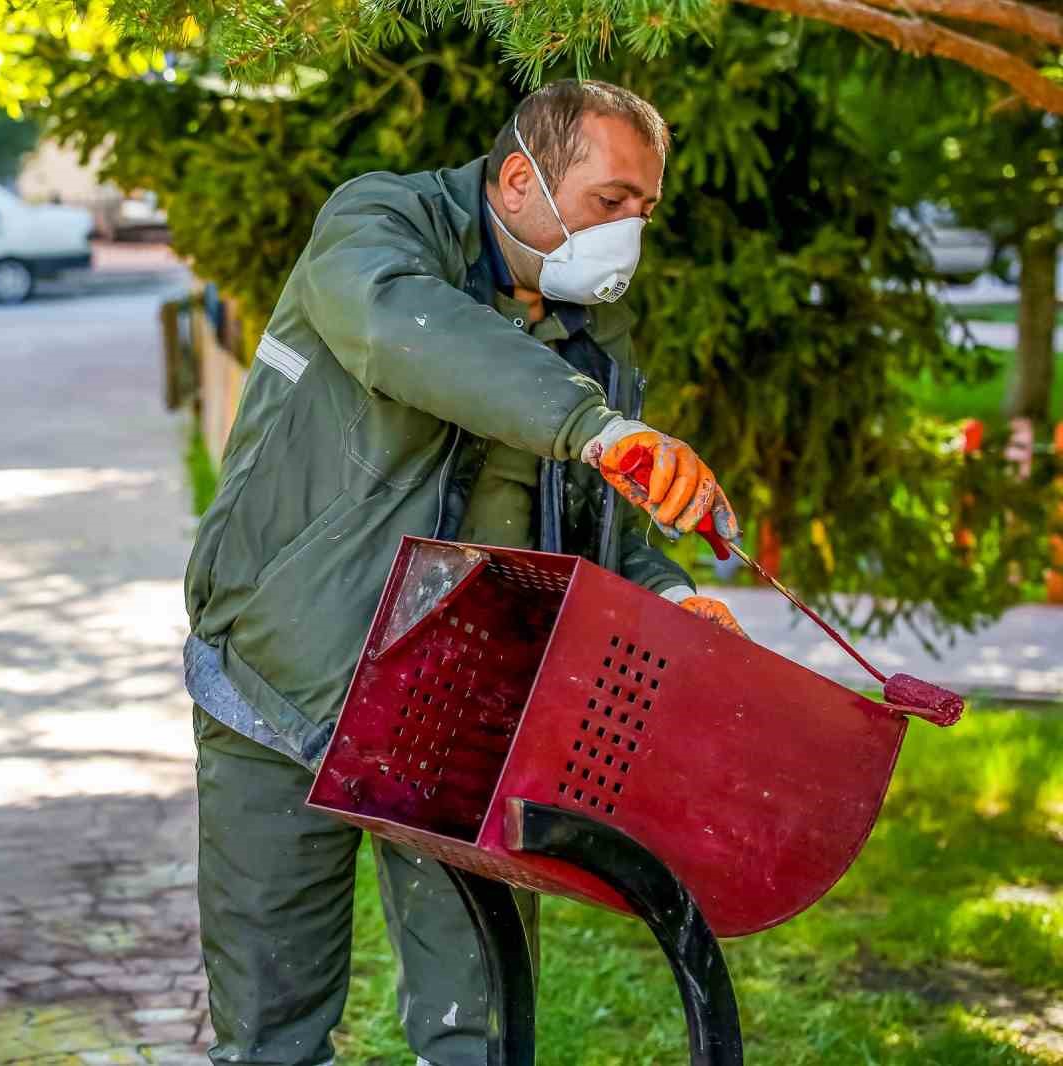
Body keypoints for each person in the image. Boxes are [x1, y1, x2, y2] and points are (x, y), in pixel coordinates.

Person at [182, 80, 747, 1066]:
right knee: (269, 1037)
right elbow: (399, 325)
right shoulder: (379, 224)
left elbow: (597, 534)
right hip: (277, 679)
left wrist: (670, 597)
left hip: (453, 718)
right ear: (521, 178)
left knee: (479, 1033)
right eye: (611, 200)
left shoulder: (590, 335)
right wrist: (593, 427)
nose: (631, 231)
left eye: (645, 210)